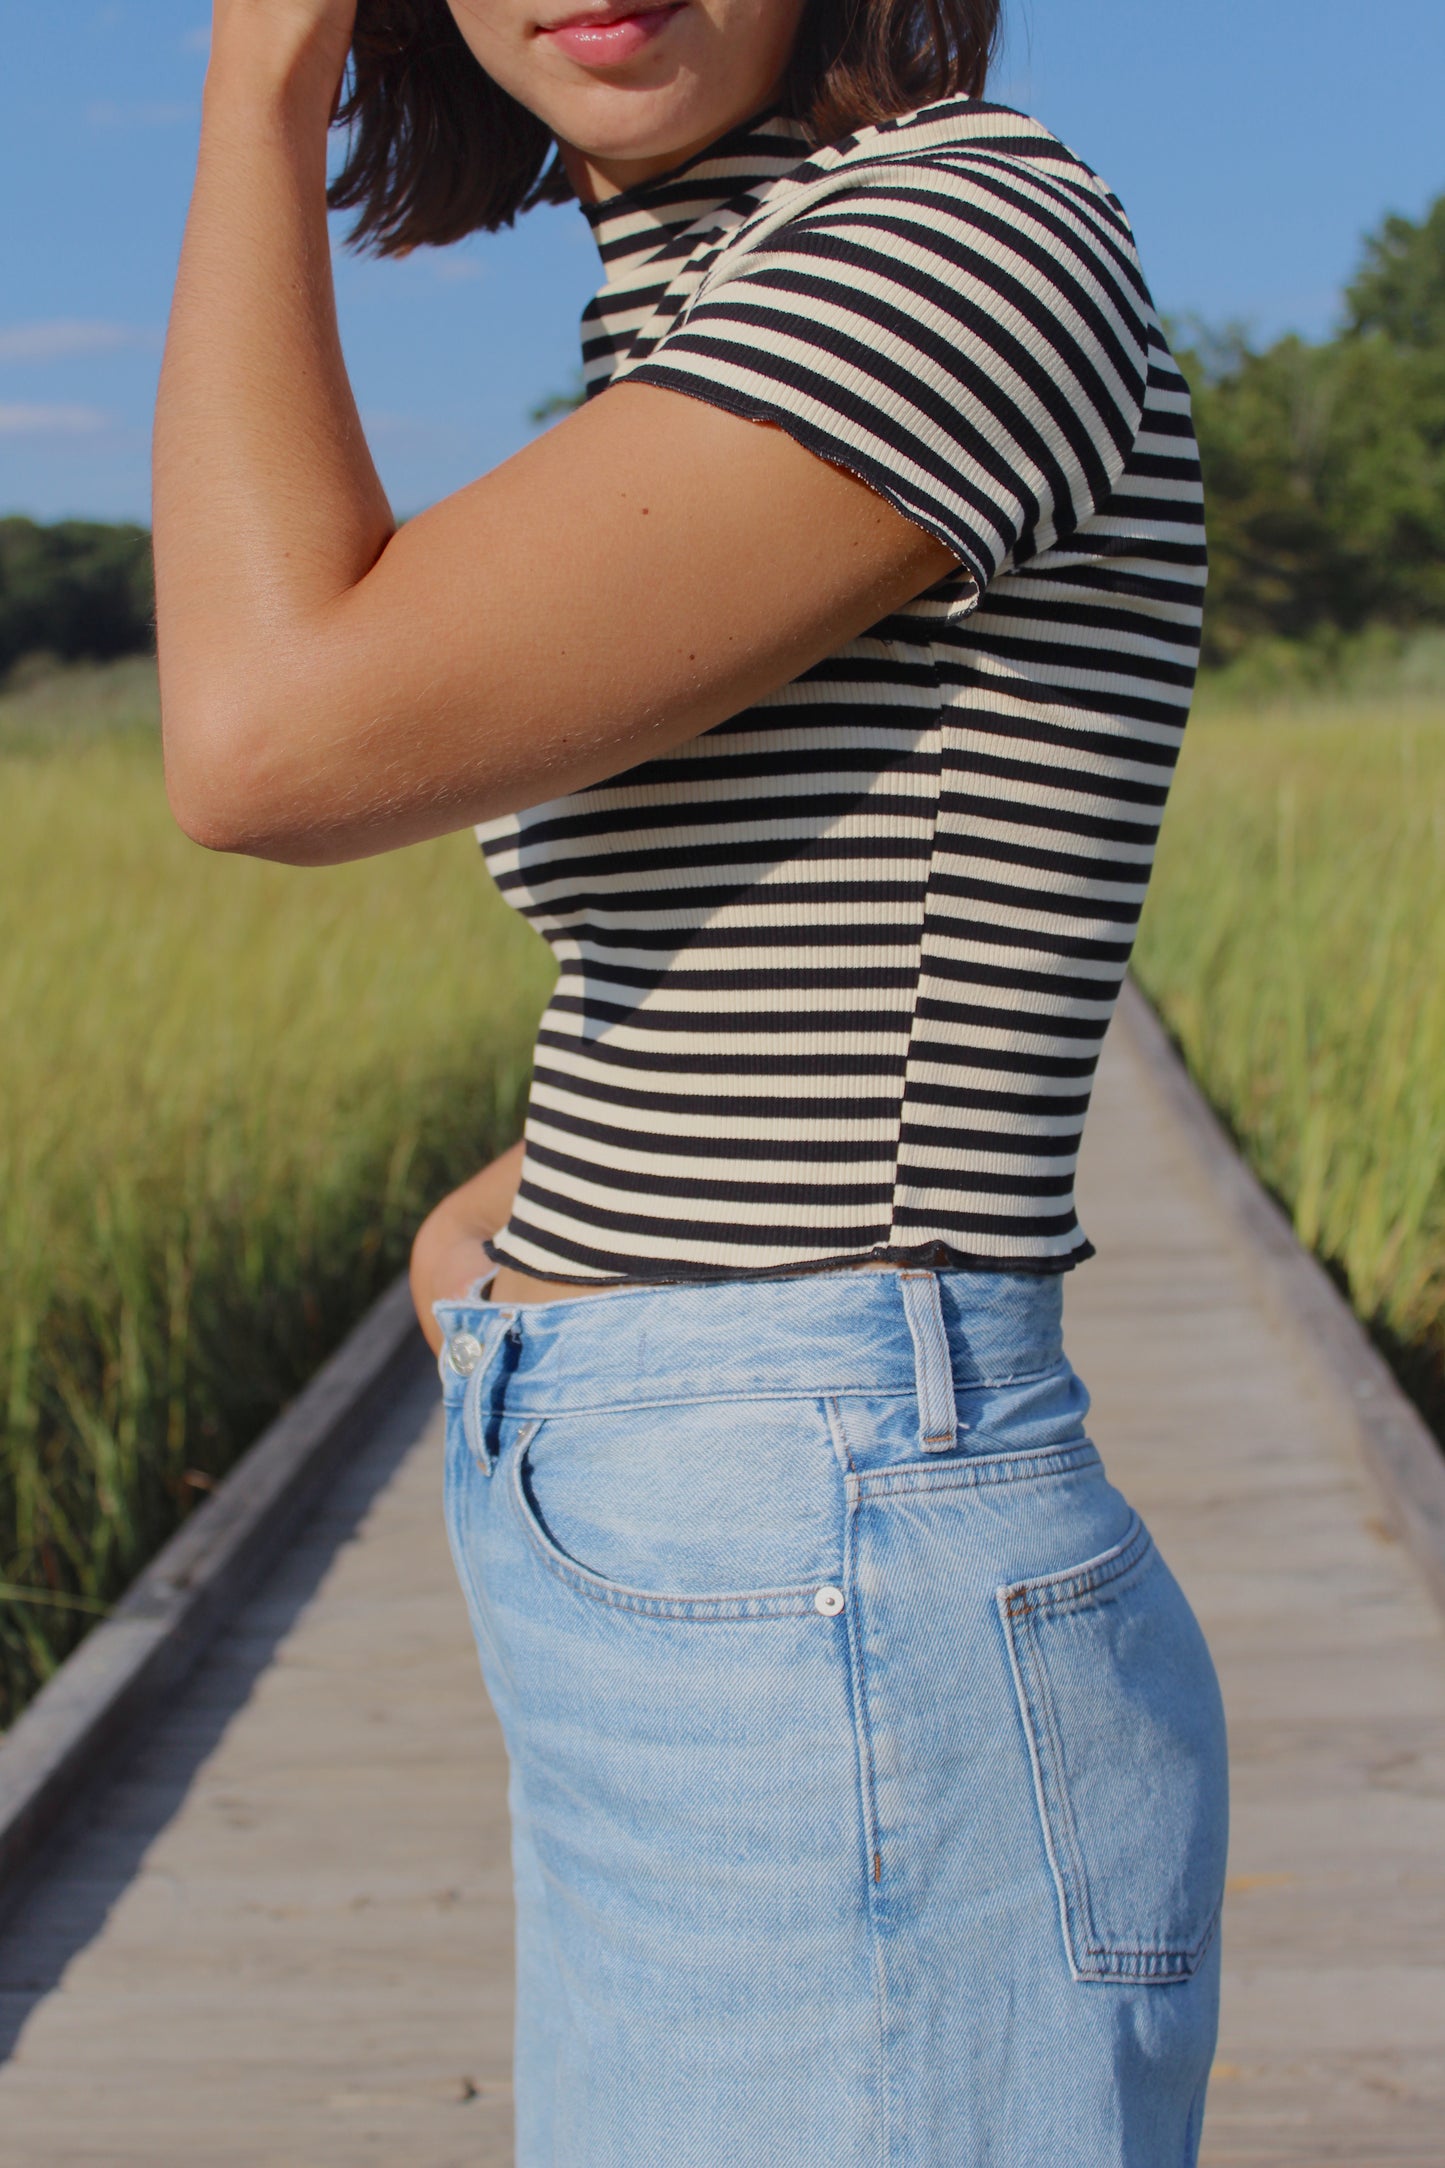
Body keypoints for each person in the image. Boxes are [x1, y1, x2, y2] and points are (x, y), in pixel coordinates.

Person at [154, 1, 1229, 2159]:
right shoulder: (708, 310)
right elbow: (768, 925)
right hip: (718, 1534)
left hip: (822, 1540)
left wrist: (254, 83)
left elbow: (265, 734)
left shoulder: (962, 234)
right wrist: (536, 1262)